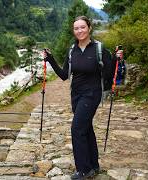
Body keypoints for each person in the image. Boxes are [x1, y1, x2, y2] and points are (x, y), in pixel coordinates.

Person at [43, 16, 114, 179]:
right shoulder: (72, 50)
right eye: (76, 28)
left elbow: (109, 71)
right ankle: (94, 166)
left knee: (77, 129)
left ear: (89, 28)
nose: (79, 31)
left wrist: (117, 59)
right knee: (86, 128)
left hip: (92, 94)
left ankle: (83, 169)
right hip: (76, 95)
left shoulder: (99, 49)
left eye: (82, 27)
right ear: (73, 31)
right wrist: (50, 59)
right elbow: (63, 75)